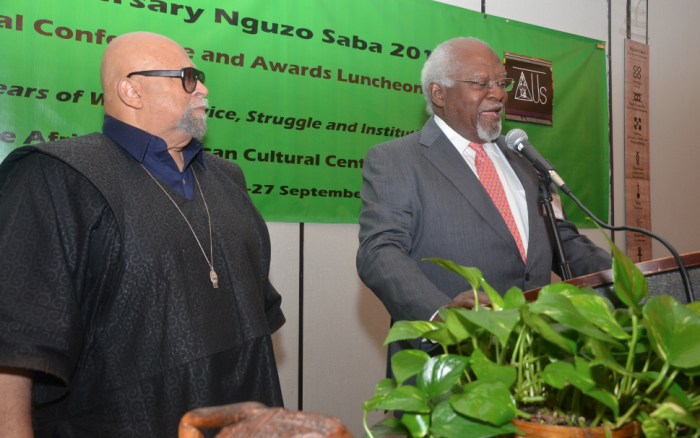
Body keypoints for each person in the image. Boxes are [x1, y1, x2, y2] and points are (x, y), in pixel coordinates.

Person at [0, 32, 285, 438]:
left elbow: (255, 321)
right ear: (131, 90)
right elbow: (14, 345)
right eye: (187, 77)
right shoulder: (57, 177)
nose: (202, 89)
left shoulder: (227, 179)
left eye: (200, 77)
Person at [356, 37, 612, 352]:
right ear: (439, 93)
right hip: (452, 361)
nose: (499, 95)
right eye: (481, 83)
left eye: (502, 83)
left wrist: (630, 282)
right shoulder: (397, 159)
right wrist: (441, 316)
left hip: (536, 359)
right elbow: (380, 251)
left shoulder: (522, 156)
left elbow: (560, 238)